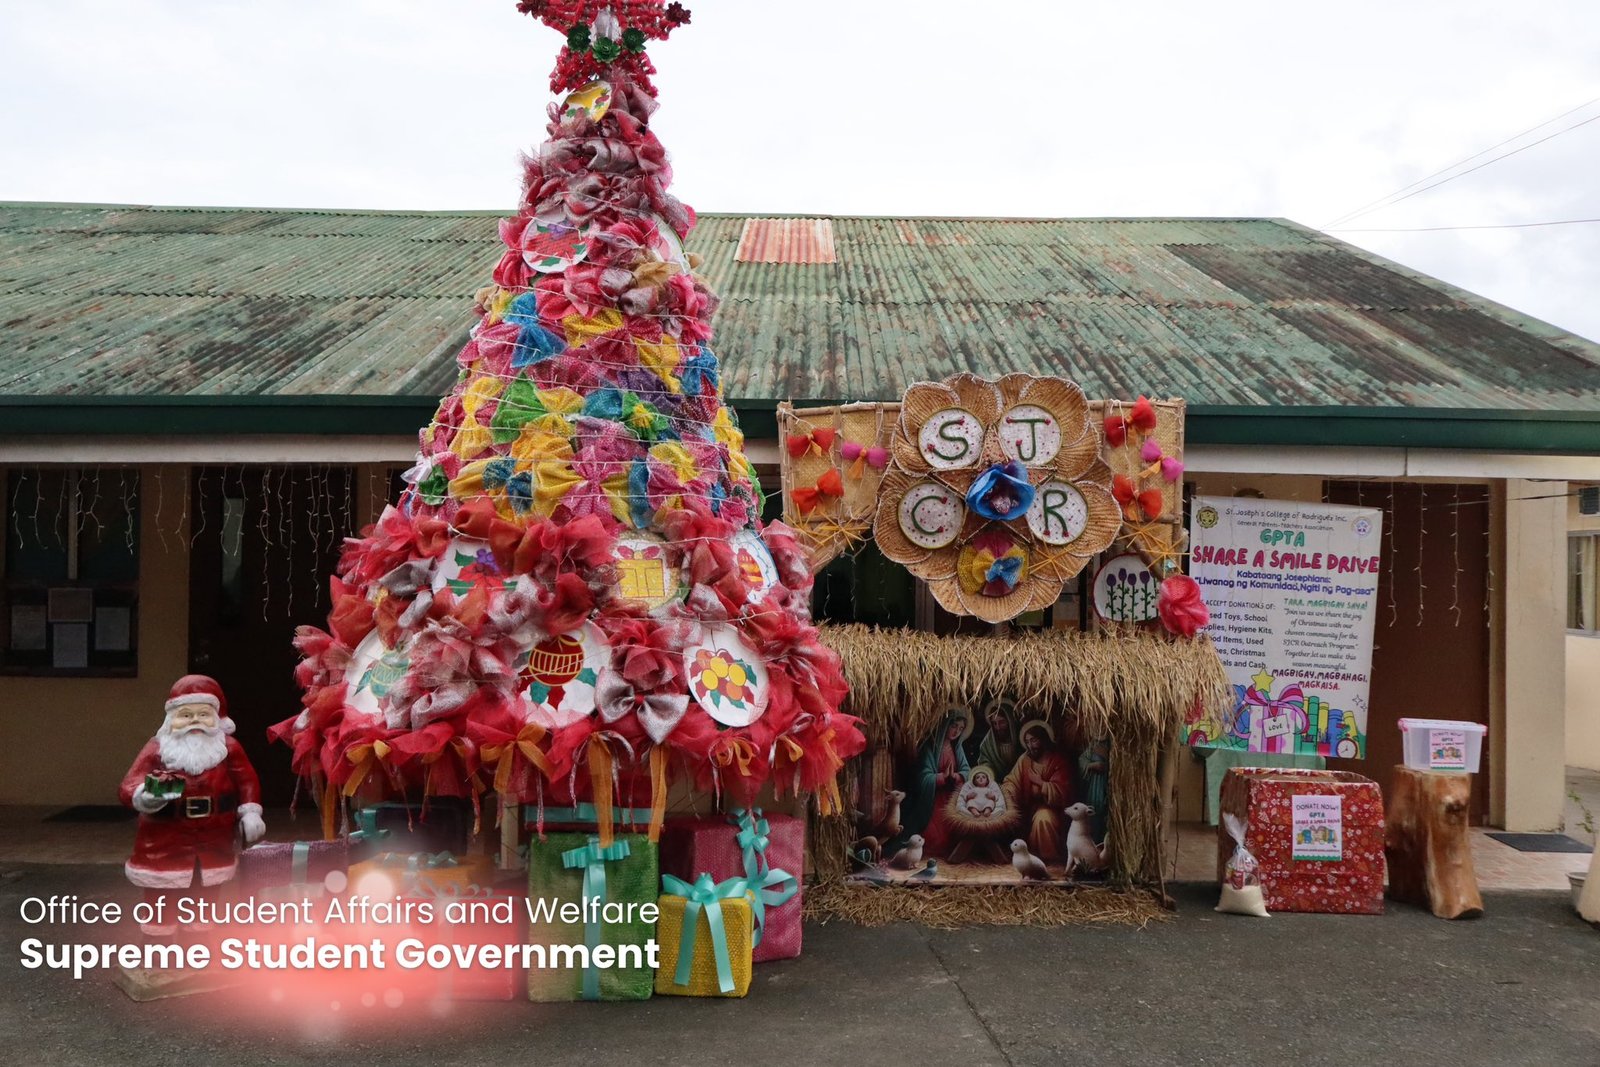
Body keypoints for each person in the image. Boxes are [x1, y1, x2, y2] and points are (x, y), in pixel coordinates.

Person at [119, 675, 265, 936]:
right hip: (164, 841)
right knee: (160, 904)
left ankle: (197, 954)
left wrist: (251, 812)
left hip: (214, 839)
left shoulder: (228, 748)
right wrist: (145, 795)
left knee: (204, 901)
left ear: (217, 719)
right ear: (171, 719)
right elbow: (129, 785)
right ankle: (157, 957)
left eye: (203, 714)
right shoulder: (157, 749)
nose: (194, 721)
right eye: (186, 715)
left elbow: (247, 780)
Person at [900, 708, 970, 856]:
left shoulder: (957, 748)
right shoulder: (930, 747)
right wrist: (941, 777)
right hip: (933, 800)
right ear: (945, 725)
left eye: (961, 728)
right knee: (935, 838)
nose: (956, 731)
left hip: (952, 798)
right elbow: (923, 777)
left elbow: (966, 770)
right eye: (954, 726)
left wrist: (957, 776)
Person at [1002, 722, 1073, 863]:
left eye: (1033, 740)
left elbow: (1063, 790)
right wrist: (1006, 792)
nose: (1030, 745)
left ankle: (1048, 858)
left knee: (1043, 818)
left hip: (1053, 809)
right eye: (1027, 741)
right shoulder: (1025, 759)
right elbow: (1012, 780)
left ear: (1043, 739)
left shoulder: (1057, 760)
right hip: (1027, 808)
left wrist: (1040, 782)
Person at [975, 698, 1023, 779]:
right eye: (994, 723)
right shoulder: (988, 742)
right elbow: (985, 762)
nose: (998, 727)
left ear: (1010, 721)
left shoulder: (1021, 737)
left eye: (1002, 722)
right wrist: (989, 771)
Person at [1078, 738, 1110, 840]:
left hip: (1109, 783)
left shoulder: (1113, 744)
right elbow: (1082, 760)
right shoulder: (1094, 745)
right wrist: (1092, 765)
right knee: (1094, 810)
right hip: (1096, 785)